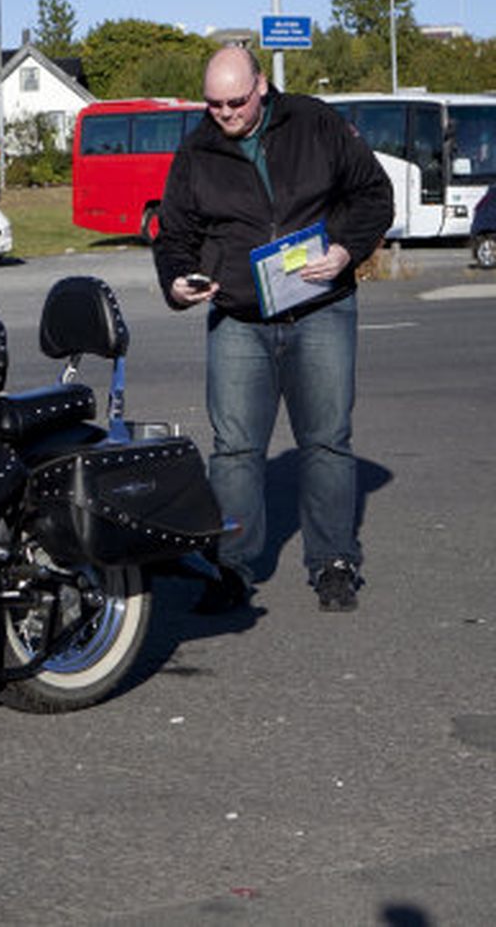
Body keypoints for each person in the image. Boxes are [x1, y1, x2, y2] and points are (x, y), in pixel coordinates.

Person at [154, 45, 393, 613]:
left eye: (236, 101)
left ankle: (333, 561)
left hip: (321, 307)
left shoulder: (316, 122)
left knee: (327, 442)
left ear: (261, 85)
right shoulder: (196, 150)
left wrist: (344, 252)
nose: (226, 114)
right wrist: (176, 285)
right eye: (214, 104)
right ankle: (231, 569)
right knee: (235, 450)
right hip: (238, 317)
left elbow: (373, 196)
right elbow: (173, 237)